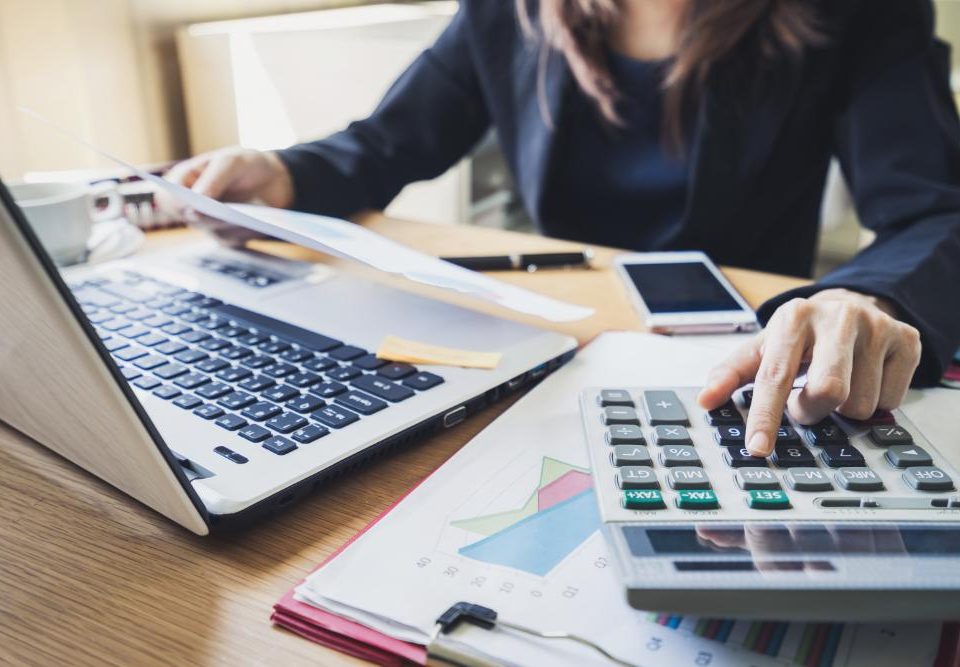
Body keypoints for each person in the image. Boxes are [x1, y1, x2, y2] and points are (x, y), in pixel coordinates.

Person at [166, 0, 960, 458]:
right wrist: (285, 172)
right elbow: (387, 143)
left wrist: (864, 294)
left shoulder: (861, 10)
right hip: (554, 355)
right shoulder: (504, 12)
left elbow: (933, 208)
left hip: (739, 365)